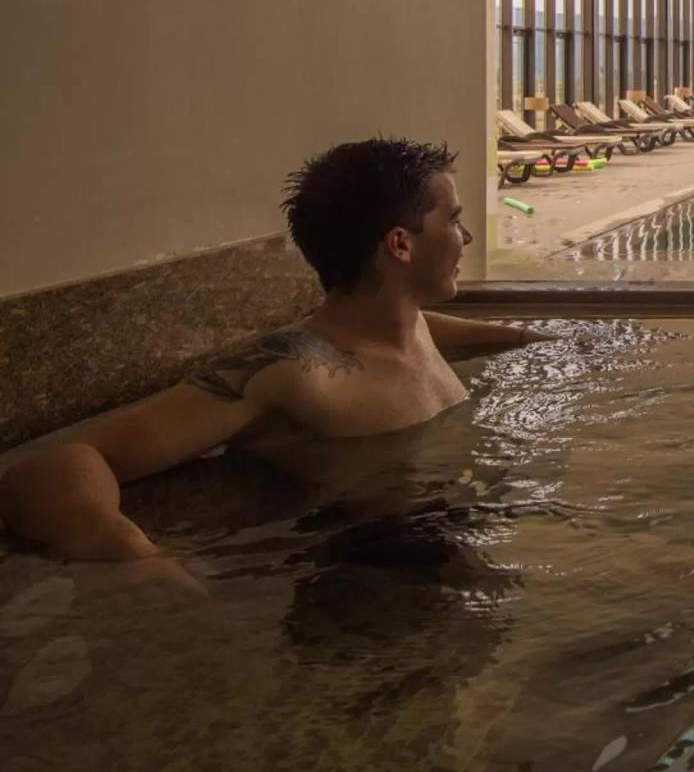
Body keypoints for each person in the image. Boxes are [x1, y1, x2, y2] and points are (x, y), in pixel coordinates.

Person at [0, 137, 551, 563]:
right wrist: (135, 557)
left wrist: (528, 338)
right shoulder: (293, 368)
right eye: (452, 221)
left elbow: (428, 327)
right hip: (365, 595)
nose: (466, 238)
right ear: (400, 244)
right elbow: (51, 463)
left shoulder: (405, 327)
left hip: (447, 543)